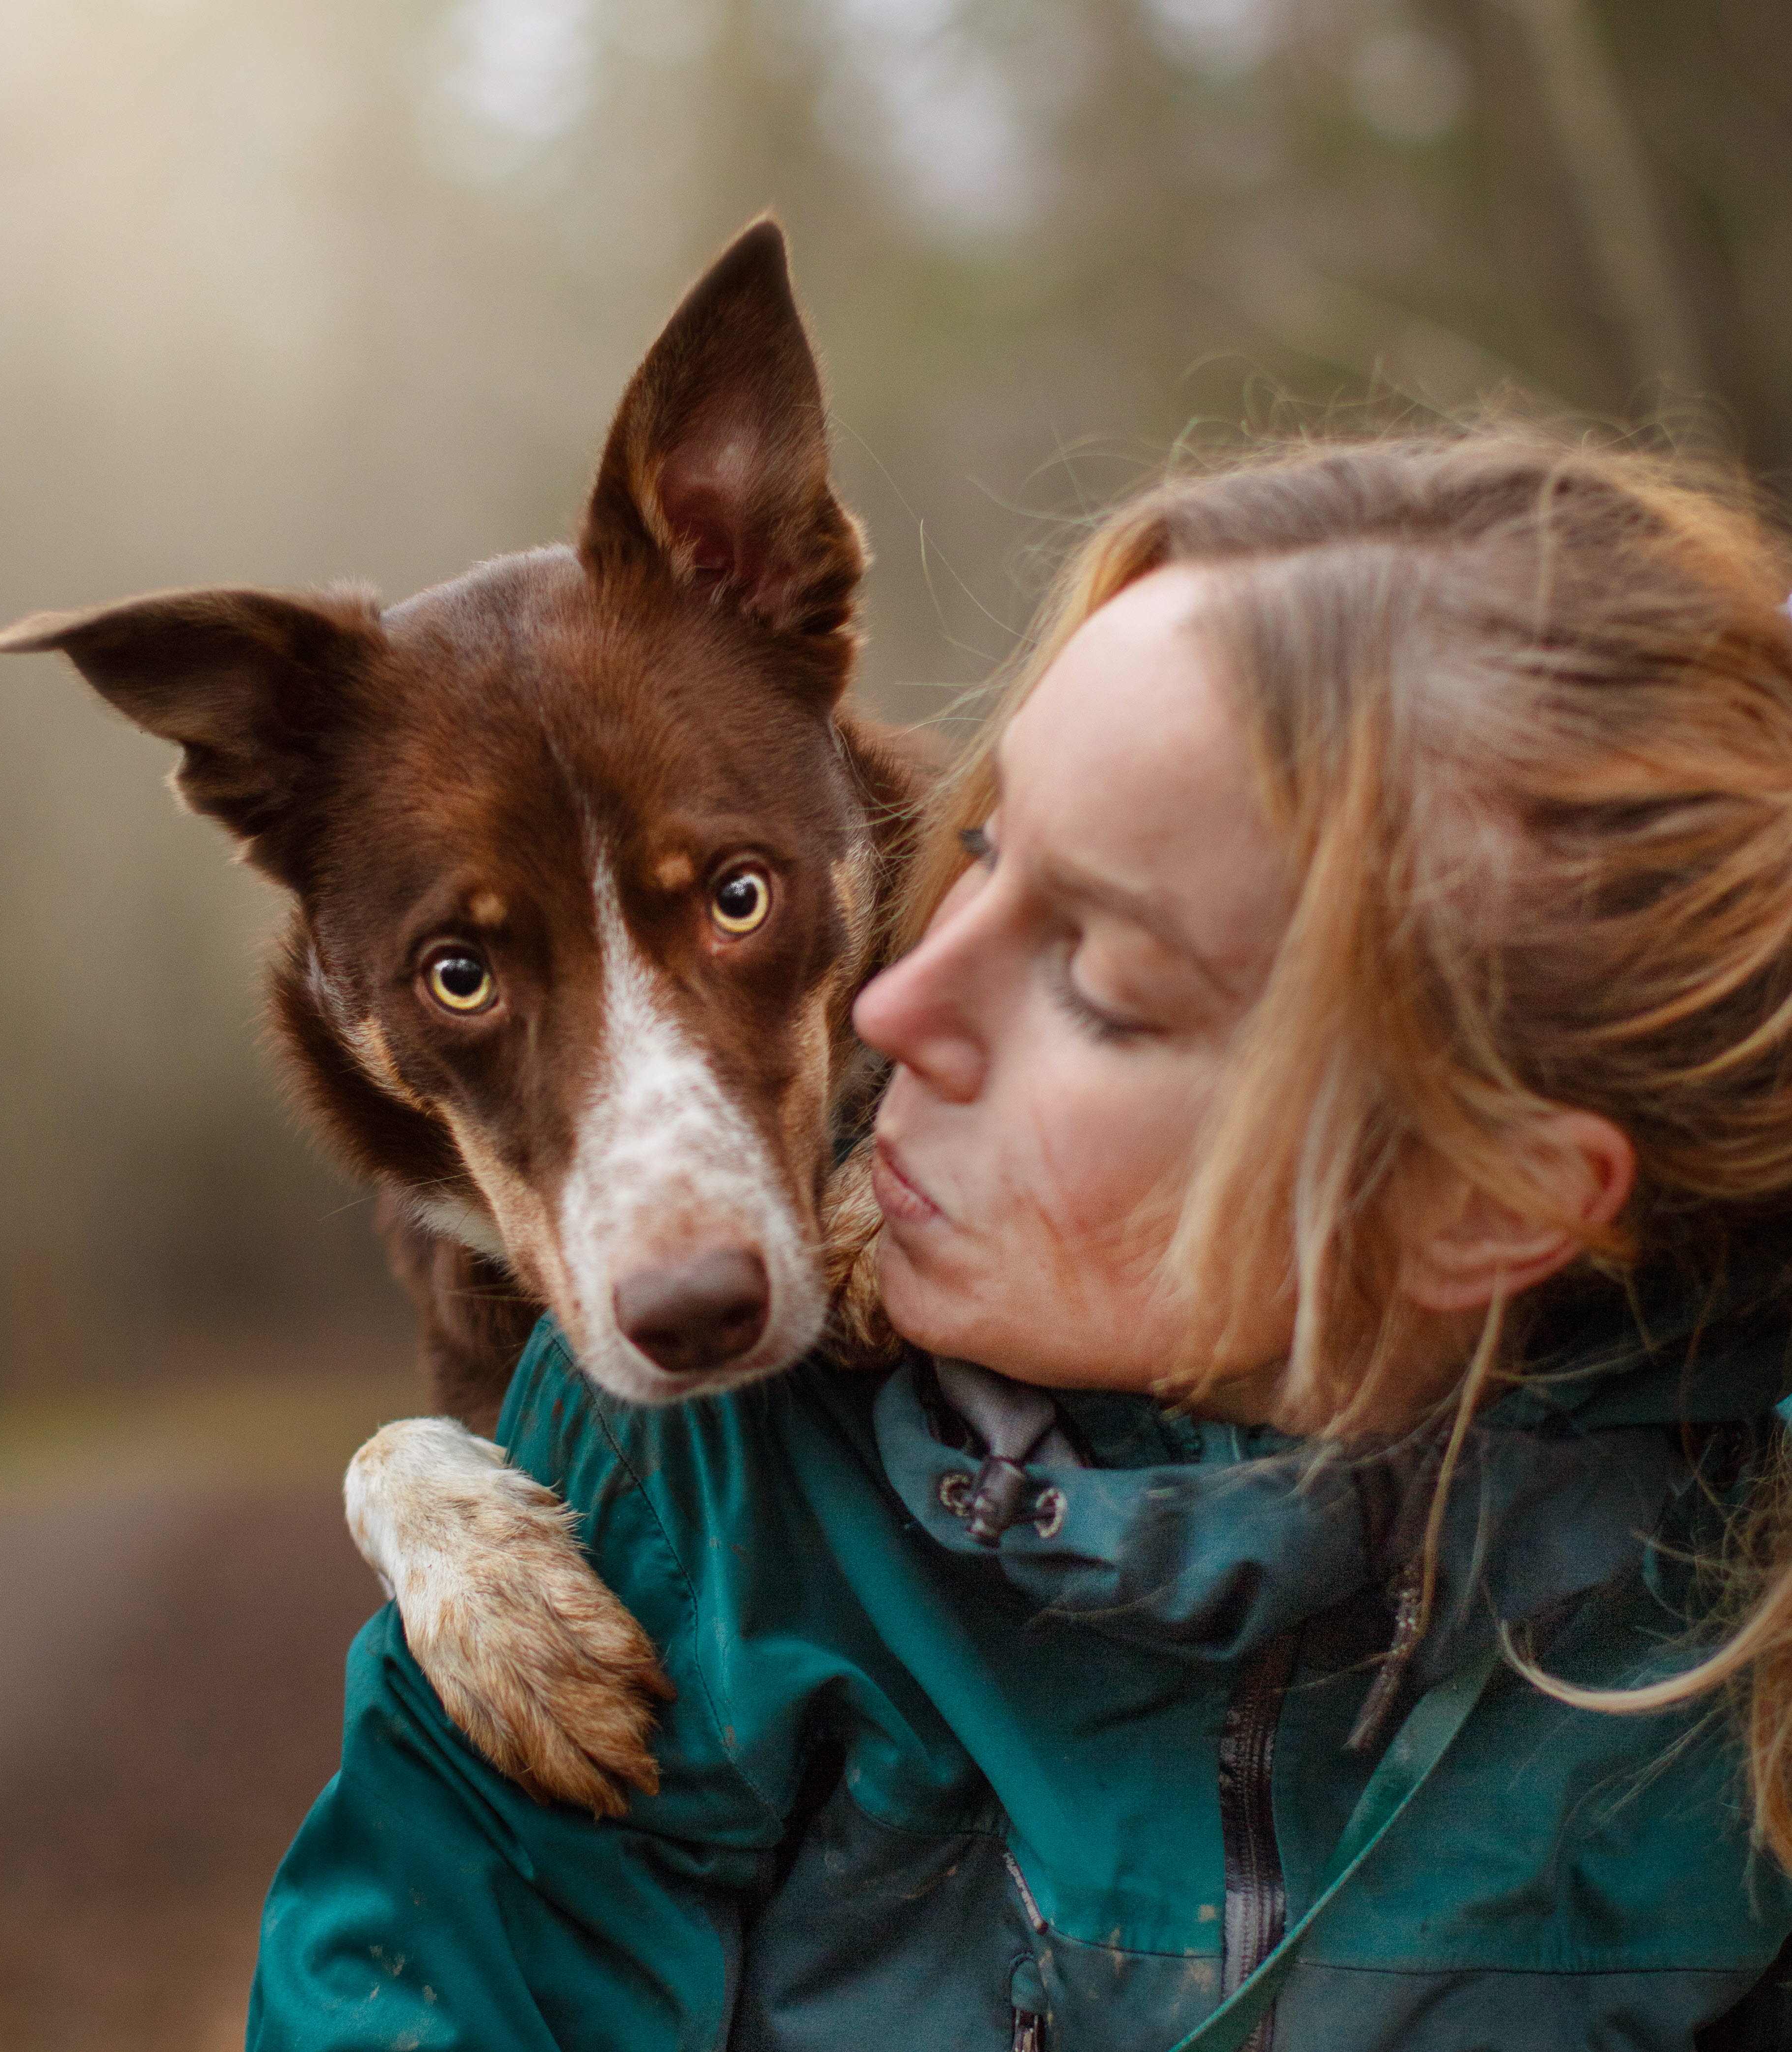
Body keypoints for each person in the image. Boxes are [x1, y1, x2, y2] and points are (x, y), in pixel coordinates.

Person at [247, 428, 1792, 2051]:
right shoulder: (699, 1480)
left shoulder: (1728, 1649)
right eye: (982, 855)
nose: (895, 1002)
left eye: (1103, 979)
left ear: (1493, 1197)